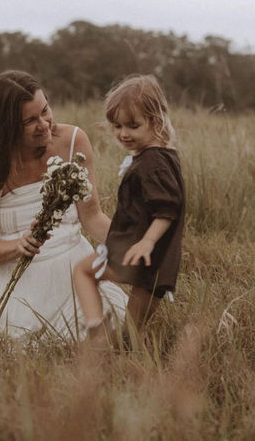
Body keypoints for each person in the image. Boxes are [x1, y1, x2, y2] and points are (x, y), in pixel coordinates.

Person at [0, 70, 127, 340]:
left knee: (110, 327)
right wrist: (18, 246)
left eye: (45, 110)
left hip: (73, 267)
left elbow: (92, 216)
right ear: (5, 127)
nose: (44, 124)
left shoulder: (73, 142)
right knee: (18, 341)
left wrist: (131, 246)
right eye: (30, 121)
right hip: (13, 274)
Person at [73, 74, 185, 346]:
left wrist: (147, 242)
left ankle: (97, 330)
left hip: (142, 259)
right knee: (132, 332)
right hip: (150, 261)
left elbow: (167, 209)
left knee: (83, 273)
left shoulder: (153, 163)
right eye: (117, 126)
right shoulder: (160, 156)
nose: (123, 133)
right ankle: (106, 337)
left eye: (133, 125)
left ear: (155, 122)